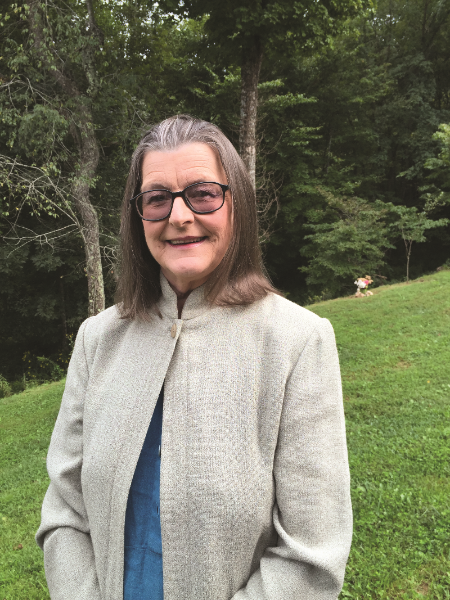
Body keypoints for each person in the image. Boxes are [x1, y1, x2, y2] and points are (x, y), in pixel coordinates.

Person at [36, 114, 352, 600]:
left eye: (202, 193)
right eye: (157, 198)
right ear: (137, 215)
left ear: (236, 205)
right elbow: (64, 512)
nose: (179, 216)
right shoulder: (97, 339)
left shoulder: (297, 341)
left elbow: (311, 557)